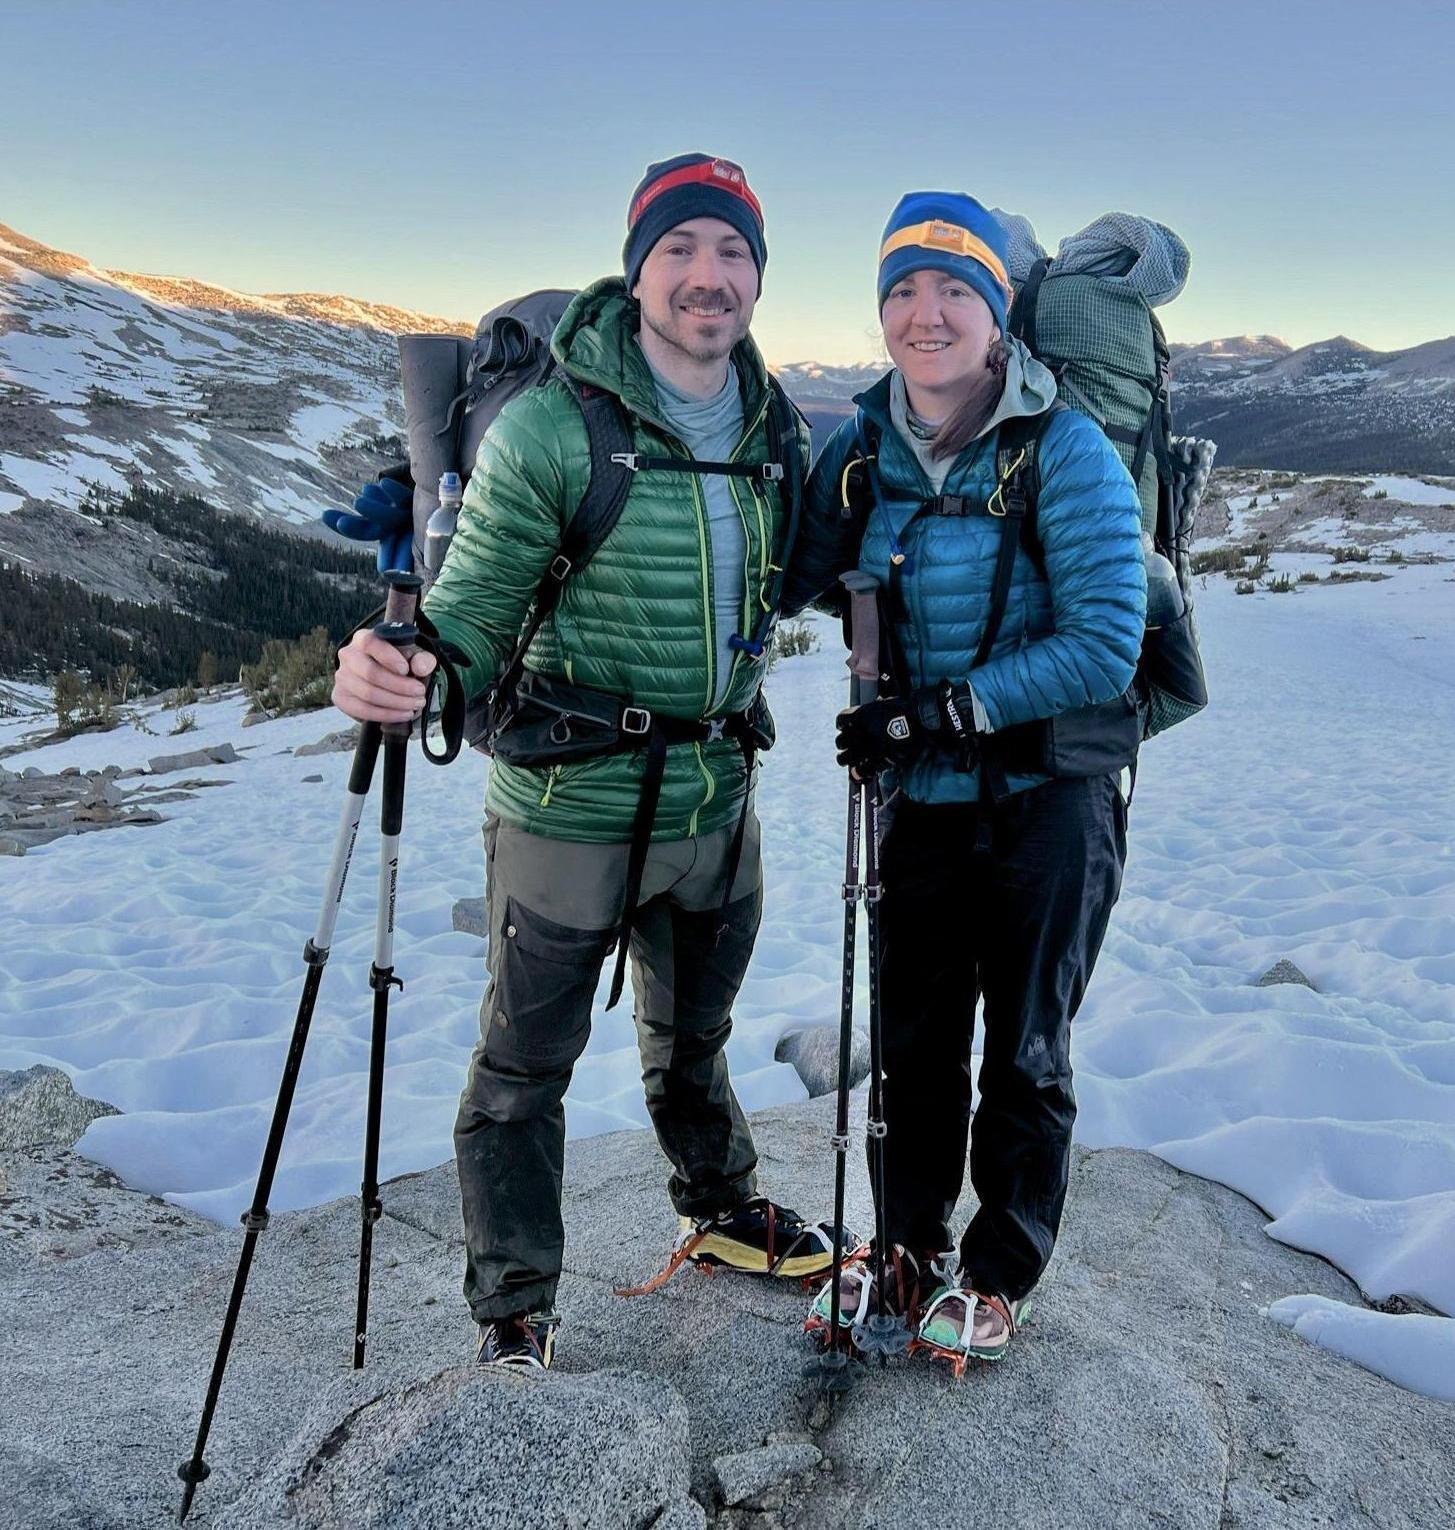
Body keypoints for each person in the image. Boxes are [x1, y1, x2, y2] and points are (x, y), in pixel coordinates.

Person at [333, 154, 844, 1372]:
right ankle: (515, 1306)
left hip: (719, 802)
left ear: (759, 277)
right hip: (567, 813)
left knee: (695, 1044)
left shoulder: (777, 426)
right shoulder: (559, 428)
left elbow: (823, 571)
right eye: (680, 250)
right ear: (638, 267)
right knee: (522, 1070)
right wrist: (405, 672)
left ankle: (717, 1207)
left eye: (732, 252)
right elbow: (475, 608)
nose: (706, 276)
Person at [783, 192, 1145, 1370]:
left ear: (996, 316)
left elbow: (1105, 641)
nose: (924, 313)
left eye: (953, 290)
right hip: (921, 802)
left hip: (1051, 800)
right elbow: (795, 570)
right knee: (913, 1040)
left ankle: (999, 1271)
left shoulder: (1063, 447)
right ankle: (902, 1244)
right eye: (901, 289)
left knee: (1026, 1046)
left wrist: (943, 707)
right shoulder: (860, 445)